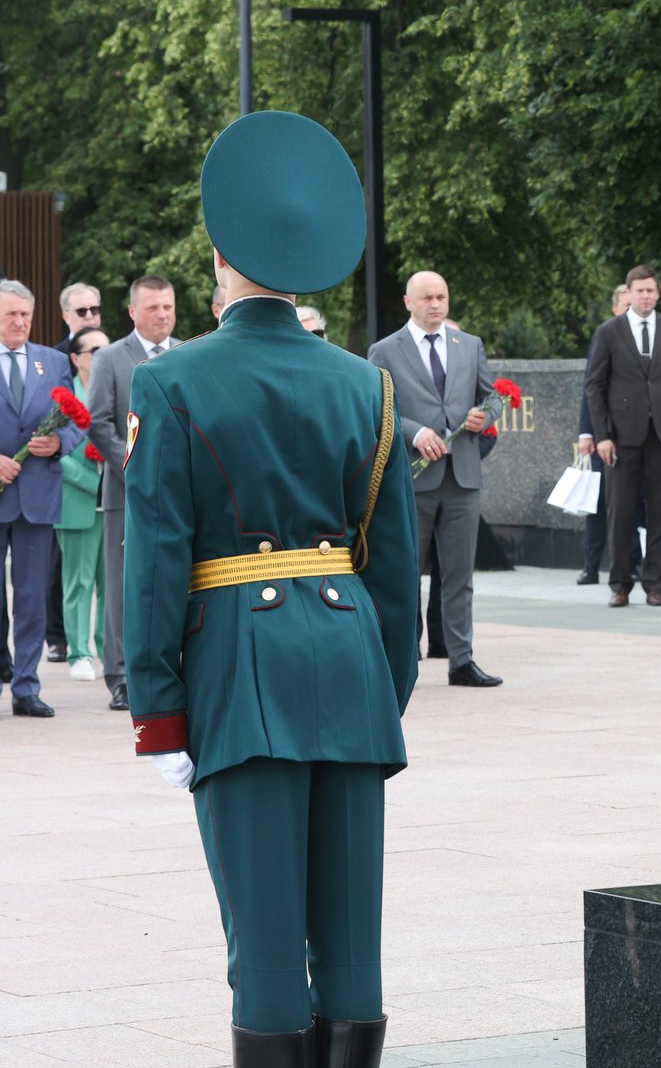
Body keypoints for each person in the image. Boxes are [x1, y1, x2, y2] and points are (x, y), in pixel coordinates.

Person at [125, 109, 419, 1067]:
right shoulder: (364, 384)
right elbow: (391, 565)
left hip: (239, 676)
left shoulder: (173, 383)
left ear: (220, 259)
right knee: (351, 938)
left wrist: (160, 711)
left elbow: (158, 559)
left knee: (262, 941)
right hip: (350, 667)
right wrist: (387, 686)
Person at [367, 271, 503, 686]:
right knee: (406, 575)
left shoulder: (469, 345)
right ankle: (403, 662)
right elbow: (375, 405)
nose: (436, 304)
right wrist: (413, 431)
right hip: (412, 478)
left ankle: (461, 661)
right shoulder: (385, 350)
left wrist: (486, 416)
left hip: (462, 478)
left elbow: (492, 395)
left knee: (460, 577)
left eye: (441, 296)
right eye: (426, 297)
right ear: (408, 301)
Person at [87, 274, 178, 713]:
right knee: (122, 585)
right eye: (153, 308)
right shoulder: (110, 358)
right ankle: (120, 676)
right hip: (126, 490)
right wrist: (134, 463)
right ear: (132, 312)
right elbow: (98, 421)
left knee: (173, 579)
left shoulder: (186, 354)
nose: (162, 315)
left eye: (168, 307)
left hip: (178, 492)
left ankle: (170, 667)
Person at [585, 264, 661, 607]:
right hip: (621, 437)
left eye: (651, 290)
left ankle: (655, 585)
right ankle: (620, 584)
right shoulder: (609, 332)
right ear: (629, 293)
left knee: (660, 513)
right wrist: (601, 435)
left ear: (657, 294)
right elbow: (595, 385)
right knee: (620, 514)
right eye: (640, 290)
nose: (645, 295)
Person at [0, 280, 84, 718]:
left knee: (31, 597)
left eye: (25, 315)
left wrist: (60, 444)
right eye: (11, 314)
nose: (19, 322)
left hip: (36, 495)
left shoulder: (51, 362)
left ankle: (26, 687)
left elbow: (75, 421)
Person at [55, 325, 109, 691]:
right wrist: (95, 483)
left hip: (114, 503)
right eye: (94, 352)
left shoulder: (115, 390)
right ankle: (78, 652)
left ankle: (109, 651)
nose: (102, 358)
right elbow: (54, 453)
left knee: (112, 584)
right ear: (76, 358)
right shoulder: (62, 397)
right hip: (77, 500)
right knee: (78, 582)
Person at [576, 283, 628, 584]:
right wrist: (587, 431)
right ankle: (591, 564)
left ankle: (629, 565)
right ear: (615, 308)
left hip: (634, 434)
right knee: (597, 504)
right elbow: (590, 387)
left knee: (632, 505)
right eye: (623, 305)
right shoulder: (606, 335)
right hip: (602, 431)